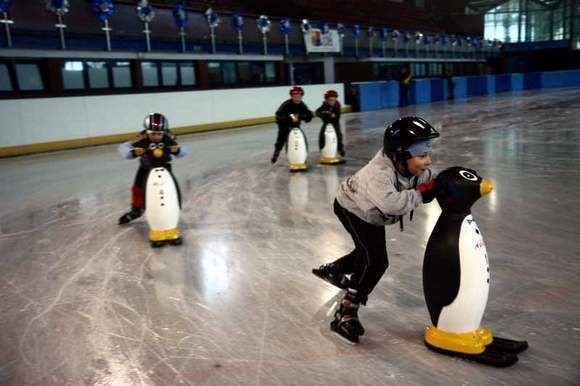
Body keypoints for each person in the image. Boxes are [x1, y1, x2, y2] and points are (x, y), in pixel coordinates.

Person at [312, 116, 440, 343]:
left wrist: (446, 181)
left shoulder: (405, 165)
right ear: (400, 155)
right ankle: (346, 312)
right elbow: (393, 203)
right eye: (422, 156)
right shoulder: (379, 174)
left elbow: (428, 178)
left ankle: (334, 269)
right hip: (353, 208)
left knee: (367, 252)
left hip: (371, 212)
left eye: (427, 154)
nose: (428, 161)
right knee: (375, 261)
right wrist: (421, 194)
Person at [118, 113, 183, 225]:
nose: (156, 137)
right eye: (152, 133)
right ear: (147, 131)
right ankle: (136, 210)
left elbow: (181, 151)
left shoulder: (169, 136)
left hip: (164, 168)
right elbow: (124, 147)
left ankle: (174, 207)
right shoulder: (141, 137)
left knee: (171, 188)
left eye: (159, 134)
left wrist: (178, 150)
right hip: (145, 167)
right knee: (137, 188)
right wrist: (131, 152)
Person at [271, 86, 314, 164]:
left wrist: (305, 116)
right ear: (292, 96)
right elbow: (278, 115)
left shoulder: (302, 105)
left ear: (301, 96)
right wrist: (287, 118)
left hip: (296, 127)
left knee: (302, 140)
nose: (297, 98)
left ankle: (302, 156)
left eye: (299, 96)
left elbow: (309, 115)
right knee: (281, 140)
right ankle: (276, 153)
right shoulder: (286, 104)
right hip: (285, 127)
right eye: (295, 96)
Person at [315, 89, 345, 157]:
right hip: (326, 123)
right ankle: (322, 148)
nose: (332, 102)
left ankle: (340, 149)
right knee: (322, 135)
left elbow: (335, 117)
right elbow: (317, 112)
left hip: (335, 123)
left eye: (333, 100)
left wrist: (327, 114)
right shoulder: (324, 105)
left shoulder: (337, 106)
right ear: (327, 100)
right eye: (330, 100)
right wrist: (322, 114)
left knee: (338, 135)